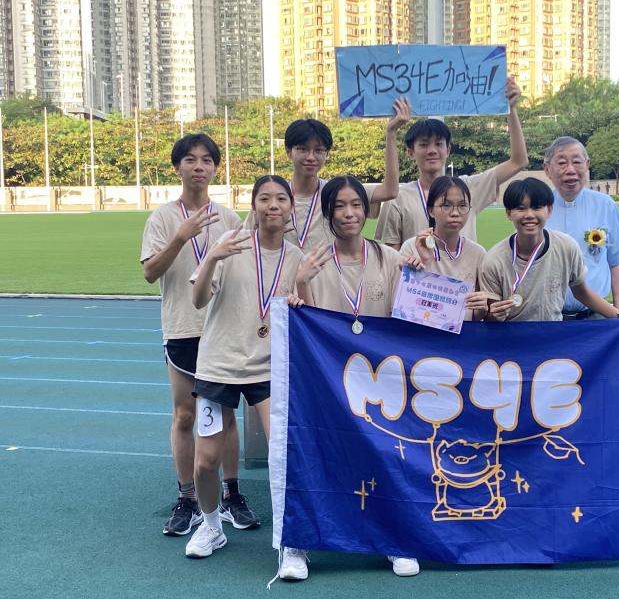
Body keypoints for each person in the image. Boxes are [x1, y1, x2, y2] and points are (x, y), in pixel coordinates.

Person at [281, 175, 422, 581]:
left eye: (356, 205)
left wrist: (418, 271)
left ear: (367, 210)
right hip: (326, 382)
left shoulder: (390, 258)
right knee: (314, 455)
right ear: (327, 213)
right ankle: (297, 544)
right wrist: (300, 287)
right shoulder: (311, 260)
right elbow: (301, 322)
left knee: (384, 458)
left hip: (381, 382)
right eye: (340, 206)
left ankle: (396, 539)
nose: (349, 213)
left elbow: (412, 318)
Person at [184, 175, 304, 558]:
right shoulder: (230, 245)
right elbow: (199, 300)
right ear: (253, 206)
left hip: (269, 369)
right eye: (265, 198)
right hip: (218, 366)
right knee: (205, 462)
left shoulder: (298, 258)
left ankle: (290, 539)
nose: (273, 205)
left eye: (280, 199)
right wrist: (213, 258)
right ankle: (212, 525)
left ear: (290, 208)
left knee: (282, 454)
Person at [140, 134, 255, 536]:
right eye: (190, 160)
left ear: (215, 168)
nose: (199, 167)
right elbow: (150, 272)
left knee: (226, 416)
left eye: (207, 160)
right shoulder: (162, 218)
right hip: (183, 329)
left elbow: (246, 272)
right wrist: (180, 235)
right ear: (178, 167)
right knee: (186, 415)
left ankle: (232, 493)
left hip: (223, 331)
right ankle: (187, 497)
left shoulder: (228, 218)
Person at [375, 78, 529, 249]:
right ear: (410, 152)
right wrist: (391, 132)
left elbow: (518, 161)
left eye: (439, 144)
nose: (432, 150)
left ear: (448, 149)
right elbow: (393, 257)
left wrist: (511, 109)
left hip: (464, 275)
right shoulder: (398, 198)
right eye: (424, 144)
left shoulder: (469, 187)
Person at [479, 177, 619, 329]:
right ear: (508, 213)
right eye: (521, 209)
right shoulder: (494, 260)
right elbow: (490, 317)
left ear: (549, 210)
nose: (529, 215)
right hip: (513, 344)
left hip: (554, 340)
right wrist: (493, 315)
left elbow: (582, 293)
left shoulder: (566, 247)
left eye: (537, 207)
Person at [273, 100, 410, 251]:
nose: (311, 157)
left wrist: (391, 134)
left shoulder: (337, 192)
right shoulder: (274, 197)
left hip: (329, 273)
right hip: (285, 273)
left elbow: (390, 190)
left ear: (327, 154)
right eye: (303, 149)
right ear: (288, 152)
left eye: (318, 150)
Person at [543, 136, 619, 320]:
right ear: (547, 169)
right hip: (549, 318)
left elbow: (616, 262)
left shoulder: (605, 205)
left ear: (587, 165)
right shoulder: (538, 209)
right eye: (562, 163)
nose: (570, 170)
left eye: (577, 162)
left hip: (595, 316)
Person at [399, 175, 488, 321]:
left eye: (462, 205)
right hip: (422, 337)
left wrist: (481, 310)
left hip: (460, 340)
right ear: (431, 211)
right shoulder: (411, 248)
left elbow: (475, 315)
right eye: (446, 205)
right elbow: (407, 307)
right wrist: (425, 262)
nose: (455, 213)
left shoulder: (478, 254)